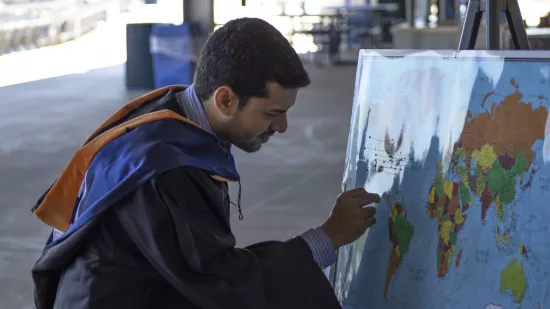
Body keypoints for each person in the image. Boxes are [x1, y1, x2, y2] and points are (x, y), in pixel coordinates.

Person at [31, 17, 379, 309]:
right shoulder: (164, 169)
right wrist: (327, 238)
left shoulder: (172, 115)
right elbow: (219, 280)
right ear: (225, 98)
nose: (281, 127)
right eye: (272, 113)